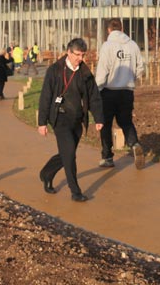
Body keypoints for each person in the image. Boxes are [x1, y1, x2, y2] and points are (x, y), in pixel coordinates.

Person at [37, 38, 104, 202]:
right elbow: (45, 96)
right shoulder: (55, 70)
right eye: (77, 55)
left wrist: (98, 118)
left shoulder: (85, 73)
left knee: (67, 153)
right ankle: (75, 191)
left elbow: (94, 97)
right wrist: (42, 122)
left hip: (77, 119)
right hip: (59, 118)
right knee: (70, 156)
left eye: (83, 55)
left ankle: (47, 173)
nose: (80, 58)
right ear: (68, 52)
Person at [95, 18, 145, 169]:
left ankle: (107, 157)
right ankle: (134, 143)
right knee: (126, 121)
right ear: (122, 29)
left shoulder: (107, 46)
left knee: (105, 124)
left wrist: (97, 89)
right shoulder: (133, 45)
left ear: (109, 30)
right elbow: (140, 68)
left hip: (108, 92)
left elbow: (103, 71)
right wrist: (130, 79)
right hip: (126, 91)